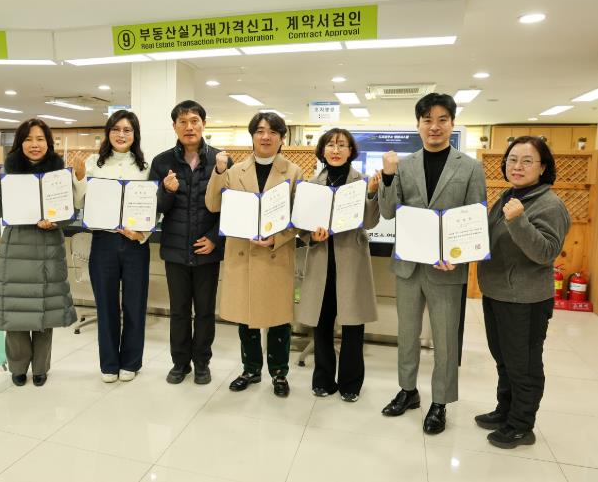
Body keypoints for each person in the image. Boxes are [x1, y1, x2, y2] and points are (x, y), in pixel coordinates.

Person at [378, 93, 486, 433]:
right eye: (427, 120)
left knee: (445, 340)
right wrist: (387, 177)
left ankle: (440, 402)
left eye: (442, 120)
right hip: (408, 265)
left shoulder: (470, 167)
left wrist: (459, 257)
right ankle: (408, 391)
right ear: (418, 125)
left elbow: (474, 218)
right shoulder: (404, 165)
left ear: (452, 124)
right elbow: (387, 212)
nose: (434, 126)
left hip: (447, 268)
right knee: (407, 334)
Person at [476, 136, 570, 448]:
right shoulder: (508, 196)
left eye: (527, 161)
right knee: (504, 358)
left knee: (524, 365)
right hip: (497, 292)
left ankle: (521, 425)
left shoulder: (550, 204)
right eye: (513, 160)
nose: (517, 166)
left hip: (525, 299)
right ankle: (505, 411)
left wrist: (518, 221)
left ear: (543, 167)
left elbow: (546, 252)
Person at [0, 118, 77, 387]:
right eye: (28, 139)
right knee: (14, 313)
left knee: (45, 313)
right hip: (16, 249)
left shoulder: (58, 172)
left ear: (48, 143)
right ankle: (18, 367)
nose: (34, 144)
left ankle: (41, 368)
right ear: (20, 143)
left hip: (48, 249)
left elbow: (68, 212)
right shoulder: (9, 171)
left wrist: (56, 221)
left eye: (40, 139)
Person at [205, 112, 303, 397]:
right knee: (245, 317)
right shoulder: (234, 171)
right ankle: (250, 369)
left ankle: (279, 374)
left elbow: (300, 217)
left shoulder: (294, 172)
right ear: (252, 136)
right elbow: (213, 205)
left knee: (278, 320)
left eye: (273, 132)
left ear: (282, 138)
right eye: (260, 131)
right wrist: (219, 171)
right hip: (243, 255)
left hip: (276, 255)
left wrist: (278, 238)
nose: (266, 136)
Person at [295, 128, 381, 402]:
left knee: (353, 325)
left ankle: (351, 383)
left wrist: (372, 194)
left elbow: (370, 222)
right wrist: (311, 235)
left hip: (351, 262)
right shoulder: (311, 185)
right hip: (321, 261)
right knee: (321, 324)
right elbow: (301, 226)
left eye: (341, 145)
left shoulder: (362, 182)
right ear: (322, 150)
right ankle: (322, 379)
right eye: (330, 145)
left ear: (350, 151)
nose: (335, 150)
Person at [148, 100, 231, 385]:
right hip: (175, 250)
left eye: (194, 121)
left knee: (205, 312)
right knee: (179, 311)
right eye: (182, 122)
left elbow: (232, 207)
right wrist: (167, 191)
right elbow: (154, 208)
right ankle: (180, 363)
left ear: (203, 124)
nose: (189, 127)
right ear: (174, 127)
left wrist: (215, 239)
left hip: (208, 250)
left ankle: (202, 363)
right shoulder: (162, 162)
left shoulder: (221, 161)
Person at [70, 110, 150, 383]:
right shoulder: (93, 163)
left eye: (127, 130)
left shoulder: (145, 167)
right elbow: (79, 203)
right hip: (103, 241)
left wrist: (141, 234)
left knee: (134, 305)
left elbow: (153, 207)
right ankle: (109, 364)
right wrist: (80, 175)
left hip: (135, 243)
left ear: (135, 134)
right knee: (106, 305)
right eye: (116, 129)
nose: (121, 134)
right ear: (108, 132)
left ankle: (131, 362)